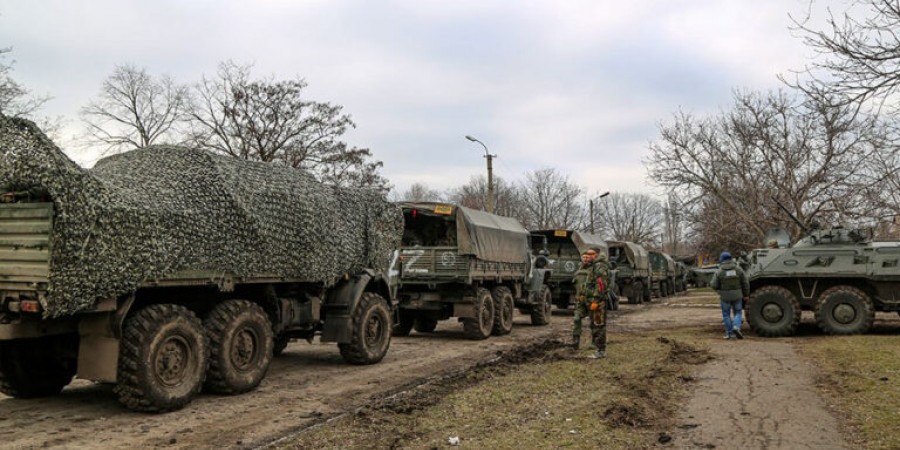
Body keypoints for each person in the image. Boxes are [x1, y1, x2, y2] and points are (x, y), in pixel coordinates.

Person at [571, 247, 611, 358]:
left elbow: (601, 285)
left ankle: (600, 351)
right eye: (587, 254)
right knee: (595, 325)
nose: (588, 256)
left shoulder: (600, 266)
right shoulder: (594, 266)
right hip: (591, 300)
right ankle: (599, 350)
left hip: (598, 302)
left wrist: (596, 300)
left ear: (596, 254)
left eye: (591, 254)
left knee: (598, 325)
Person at [710, 251, 750, 340]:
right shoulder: (738, 269)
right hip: (737, 295)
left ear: (722, 259)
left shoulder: (719, 271)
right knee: (738, 312)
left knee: (726, 315)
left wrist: (719, 290)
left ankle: (730, 334)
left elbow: (713, 285)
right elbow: (745, 282)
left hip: (725, 296)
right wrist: (746, 294)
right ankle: (736, 326)